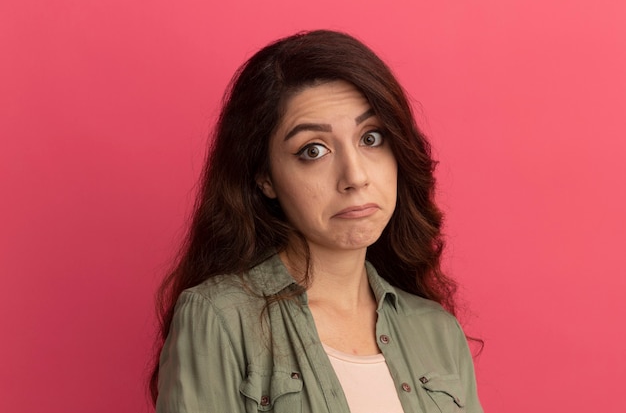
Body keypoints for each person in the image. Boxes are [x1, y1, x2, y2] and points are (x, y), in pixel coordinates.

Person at [150, 29, 483, 413]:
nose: (355, 176)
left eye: (371, 138)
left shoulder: (437, 331)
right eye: (314, 150)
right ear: (265, 178)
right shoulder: (219, 319)